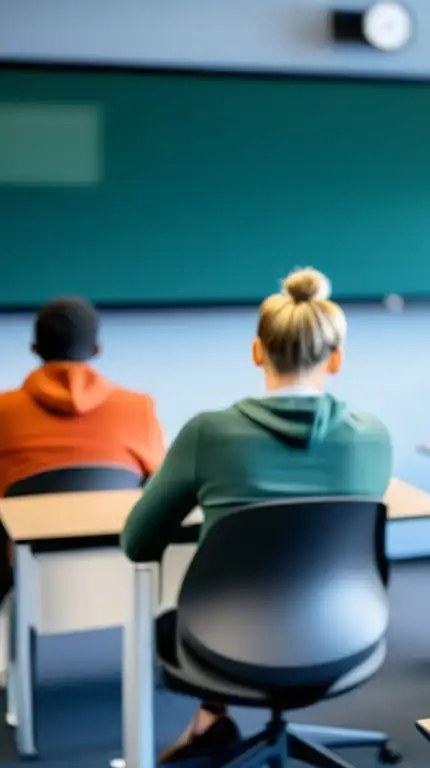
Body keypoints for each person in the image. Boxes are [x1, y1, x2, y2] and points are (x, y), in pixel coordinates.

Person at [121, 268, 393, 764]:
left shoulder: (209, 434)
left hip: (224, 641)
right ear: (336, 358)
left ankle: (210, 721)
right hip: (346, 632)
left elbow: (138, 543)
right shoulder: (370, 436)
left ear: (256, 351)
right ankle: (213, 720)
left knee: (186, 614)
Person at [0, 297, 165, 496]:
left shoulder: (4, 409)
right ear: (96, 350)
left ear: (34, 348)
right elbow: (160, 489)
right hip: (115, 526)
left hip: (19, 526)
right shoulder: (139, 408)